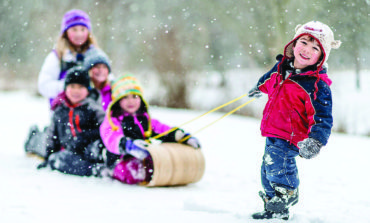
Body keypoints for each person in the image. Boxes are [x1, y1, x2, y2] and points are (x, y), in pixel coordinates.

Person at [248, 21, 341, 220]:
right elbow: (269, 79)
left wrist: (315, 141)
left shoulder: (317, 85)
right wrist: (258, 88)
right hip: (273, 130)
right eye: (304, 42)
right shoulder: (282, 68)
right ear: (294, 43)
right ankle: (275, 209)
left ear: (321, 56)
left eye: (315, 47)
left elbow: (323, 117)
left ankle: (288, 192)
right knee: (267, 169)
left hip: (293, 136)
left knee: (278, 166)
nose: (307, 49)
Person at [100, 74, 201, 184]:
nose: (131, 101)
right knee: (133, 170)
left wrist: (180, 136)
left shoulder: (144, 119)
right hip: (119, 161)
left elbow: (161, 129)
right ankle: (110, 172)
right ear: (117, 101)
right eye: (125, 97)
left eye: (135, 96)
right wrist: (127, 145)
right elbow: (111, 137)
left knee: (163, 163)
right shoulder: (113, 120)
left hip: (143, 158)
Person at [28, 67, 106, 177]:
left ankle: (94, 166)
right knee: (48, 151)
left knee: (94, 150)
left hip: (87, 149)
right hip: (66, 149)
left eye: (80, 87)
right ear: (65, 88)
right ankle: (33, 137)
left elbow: (105, 128)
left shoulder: (93, 108)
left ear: (87, 90)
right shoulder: (60, 110)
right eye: (72, 86)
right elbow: (52, 136)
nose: (76, 91)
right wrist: (48, 157)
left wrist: (86, 136)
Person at [38, 9, 103, 106]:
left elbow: (107, 82)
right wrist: (70, 87)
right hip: (63, 112)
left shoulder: (96, 55)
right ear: (66, 32)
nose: (79, 34)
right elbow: (43, 86)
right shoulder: (57, 56)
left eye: (82, 29)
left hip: (92, 112)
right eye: (74, 29)